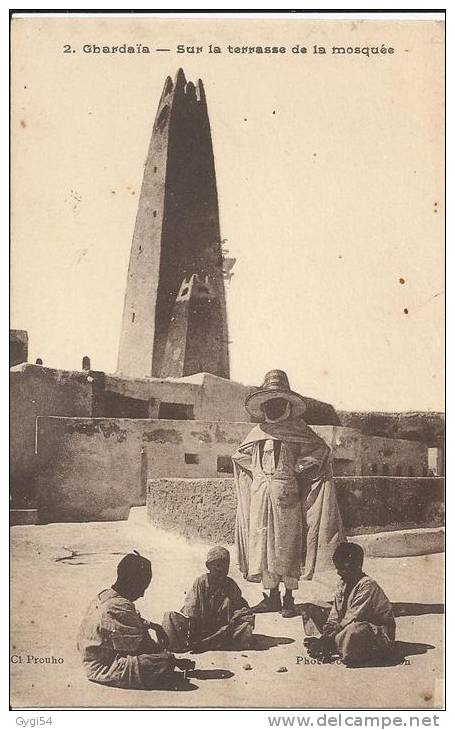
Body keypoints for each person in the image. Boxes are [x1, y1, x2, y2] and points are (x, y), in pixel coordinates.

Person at [232, 369, 345, 618]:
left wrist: (299, 466)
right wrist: (259, 473)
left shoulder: (299, 430)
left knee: (286, 545)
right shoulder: (258, 431)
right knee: (263, 544)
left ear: (286, 404)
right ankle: (271, 596)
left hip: (286, 495)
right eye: (270, 403)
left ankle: (289, 599)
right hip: (261, 494)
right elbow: (239, 455)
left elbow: (320, 450)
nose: (274, 407)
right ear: (264, 406)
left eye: (278, 402)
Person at [77, 551, 194, 689]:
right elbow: (137, 647)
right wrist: (171, 660)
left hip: (91, 659)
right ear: (131, 583)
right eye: (141, 588)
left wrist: (153, 626)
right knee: (163, 661)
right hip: (104, 667)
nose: (142, 594)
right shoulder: (120, 606)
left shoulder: (105, 596)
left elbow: (131, 621)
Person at [302, 542, 396, 667]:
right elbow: (335, 612)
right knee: (311, 608)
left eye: (342, 569)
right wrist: (327, 632)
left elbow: (353, 616)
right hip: (346, 625)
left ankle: (336, 645)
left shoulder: (368, 584)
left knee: (354, 631)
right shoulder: (343, 583)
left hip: (375, 632)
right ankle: (336, 642)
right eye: (337, 568)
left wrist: (328, 638)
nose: (338, 573)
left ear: (357, 566)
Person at [162, 546, 255, 652]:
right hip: (198, 628)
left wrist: (236, 619)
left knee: (246, 627)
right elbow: (190, 610)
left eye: (225, 566)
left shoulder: (231, 585)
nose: (221, 569)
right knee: (169, 617)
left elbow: (241, 609)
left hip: (222, 629)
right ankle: (202, 642)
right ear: (208, 566)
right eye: (217, 565)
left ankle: (209, 642)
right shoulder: (201, 582)